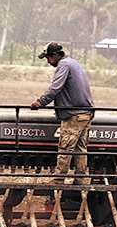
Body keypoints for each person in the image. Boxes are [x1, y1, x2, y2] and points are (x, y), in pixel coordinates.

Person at [30, 42, 94, 185]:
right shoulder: (73, 63)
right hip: (86, 113)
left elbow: (55, 87)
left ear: (54, 55)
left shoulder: (63, 65)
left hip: (74, 114)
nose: (47, 61)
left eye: (47, 58)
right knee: (80, 148)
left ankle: (58, 179)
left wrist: (40, 102)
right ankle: (81, 180)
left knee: (66, 146)